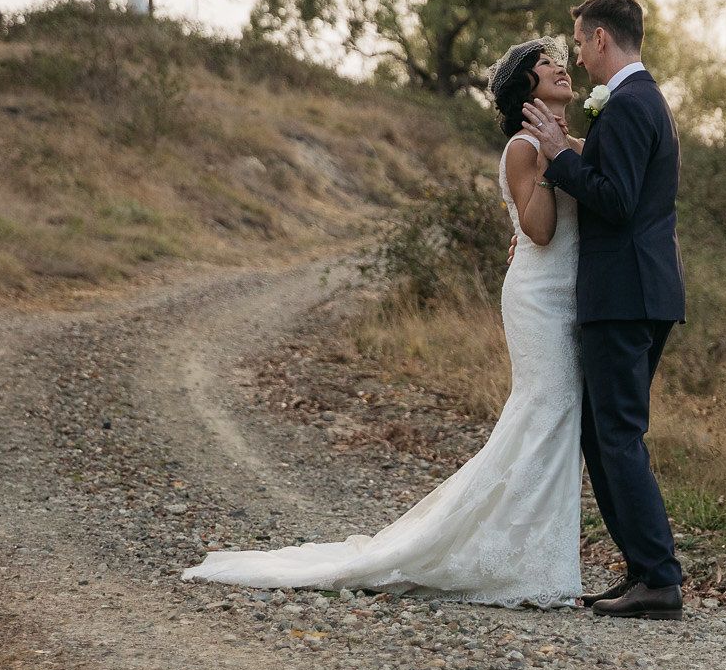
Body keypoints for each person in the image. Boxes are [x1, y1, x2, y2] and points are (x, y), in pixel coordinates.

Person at [177, 37, 587, 606]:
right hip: (538, 300)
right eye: (546, 64)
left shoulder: (570, 142)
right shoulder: (525, 147)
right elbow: (539, 230)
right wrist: (547, 159)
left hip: (566, 295)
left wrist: (566, 151)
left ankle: (535, 556)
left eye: (559, 60)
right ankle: (518, 562)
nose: (560, 67)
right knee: (544, 409)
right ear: (525, 89)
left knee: (558, 417)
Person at [519, 0, 687, 620]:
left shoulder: (627, 106)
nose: (578, 59)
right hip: (641, 289)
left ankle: (660, 578)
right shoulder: (644, 103)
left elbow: (615, 200)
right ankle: (644, 571)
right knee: (603, 432)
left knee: (616, 434)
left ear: (599, 40)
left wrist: (561, 157)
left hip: (625, 293)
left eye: (581, 43)